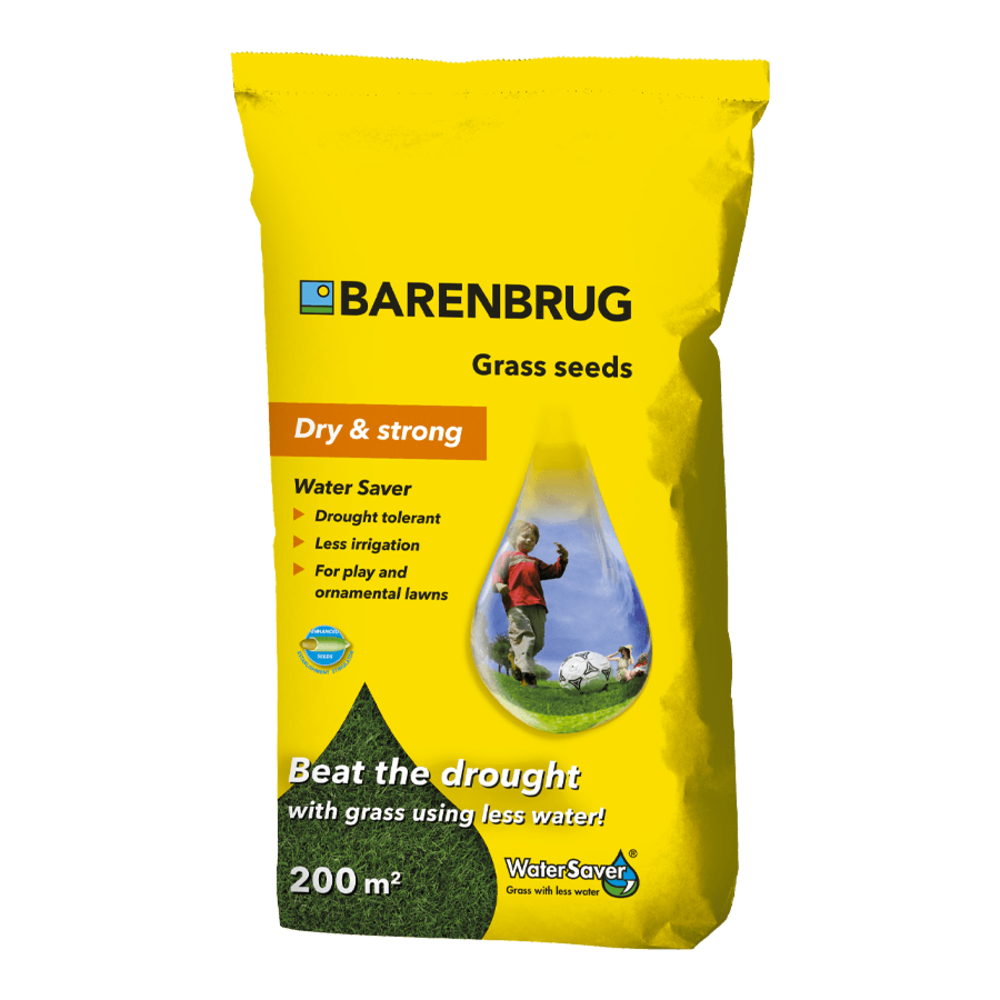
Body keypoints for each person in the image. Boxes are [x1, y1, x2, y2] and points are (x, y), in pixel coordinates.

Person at [492, 520, 568, 687]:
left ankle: (515, 657)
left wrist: (563, 558)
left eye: (532, 540)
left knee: (538, 642)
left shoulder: (535, 562)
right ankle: (528, 676)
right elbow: (498, 572)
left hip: (537, 605)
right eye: (525, 536)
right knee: (525, 636)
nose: (529, 540)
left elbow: (554, 571)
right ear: (514, 538)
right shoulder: (507, 556)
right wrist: (498, 584)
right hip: (516, 603)